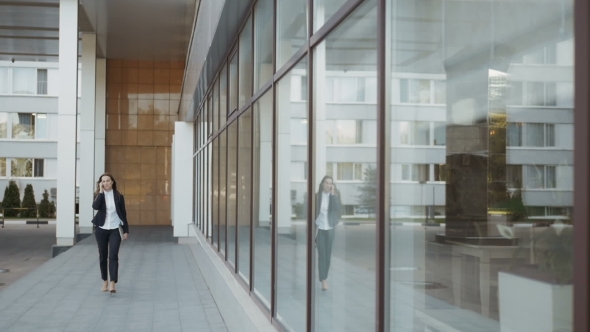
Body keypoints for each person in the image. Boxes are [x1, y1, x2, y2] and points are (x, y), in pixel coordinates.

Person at [92, 173, 129, 293]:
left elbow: (123, 214)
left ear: (112, 182)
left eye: (108, 181)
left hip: (114, 229)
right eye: (103, 181)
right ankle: (105, 281)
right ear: (100, 183)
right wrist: (101, 193)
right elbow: (95, 207)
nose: (106, 183)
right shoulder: (98, 195)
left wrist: (126, 230)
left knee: (113, 256)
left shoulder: (118, 196)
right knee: (103, 256)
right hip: (101, 229)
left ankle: (113, 283)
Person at [315, 175, 341, 291]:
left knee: (328, 255)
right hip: (320, 229)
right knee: (322, 255)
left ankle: (324, 277)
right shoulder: (317, 197)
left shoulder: (333, 196)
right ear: (322, 184)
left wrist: (333, 195)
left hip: (330, 228)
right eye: (326, 183)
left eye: (330, 183)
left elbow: (337, 209)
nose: (328, 185)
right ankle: (323, 280)